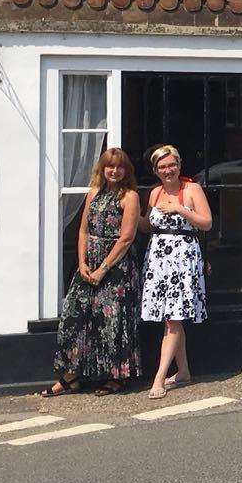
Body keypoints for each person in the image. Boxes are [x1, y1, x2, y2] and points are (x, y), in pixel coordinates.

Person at [44, 148, 142, 396]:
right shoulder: (93, 194)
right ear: (102, 168)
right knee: (74, 317)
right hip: (89, 263)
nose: (114, 171)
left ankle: (115, 376)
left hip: (116, 266)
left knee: (111, 321)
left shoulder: (129, 196)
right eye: (110, 166)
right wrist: (83, 263)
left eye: (119, 167)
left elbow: (127, 237)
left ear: (126, 170)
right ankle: (70, 376)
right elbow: (83, 231)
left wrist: (103, 269)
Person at [141, 144, 212, 399]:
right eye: (162, 167)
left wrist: (181, 209)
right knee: (171, 319)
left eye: (172, 165)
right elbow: (147, 226)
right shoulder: (154, 193)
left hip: (183, 260)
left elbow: (207, 222)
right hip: (159, 262)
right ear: (156, 170)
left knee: (173, 320)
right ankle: (183, 372)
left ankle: (159, 378)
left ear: (179, 165)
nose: (168, 170)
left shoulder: (192, 189)